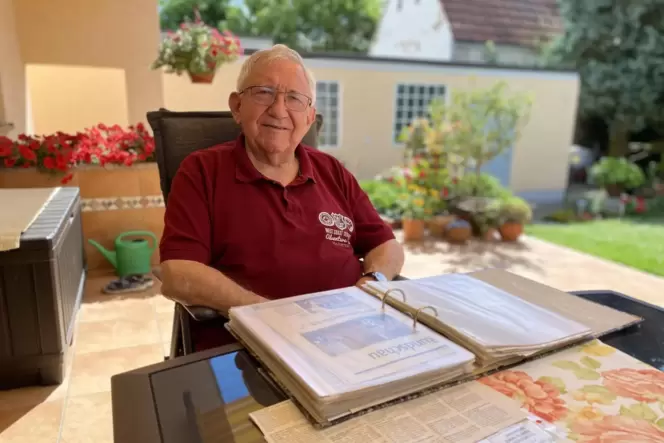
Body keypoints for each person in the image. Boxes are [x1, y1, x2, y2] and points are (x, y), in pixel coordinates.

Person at [159, 44, 405, 350]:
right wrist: (269, 317)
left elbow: (388, 247)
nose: (278, 110)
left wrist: (371, 285)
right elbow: (177, 272)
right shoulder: (201, 171)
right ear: (237, 106)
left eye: (294, 99)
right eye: (263, 92)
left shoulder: (332, 171)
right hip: (249, 348)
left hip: (351, 336)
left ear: (310, 117)